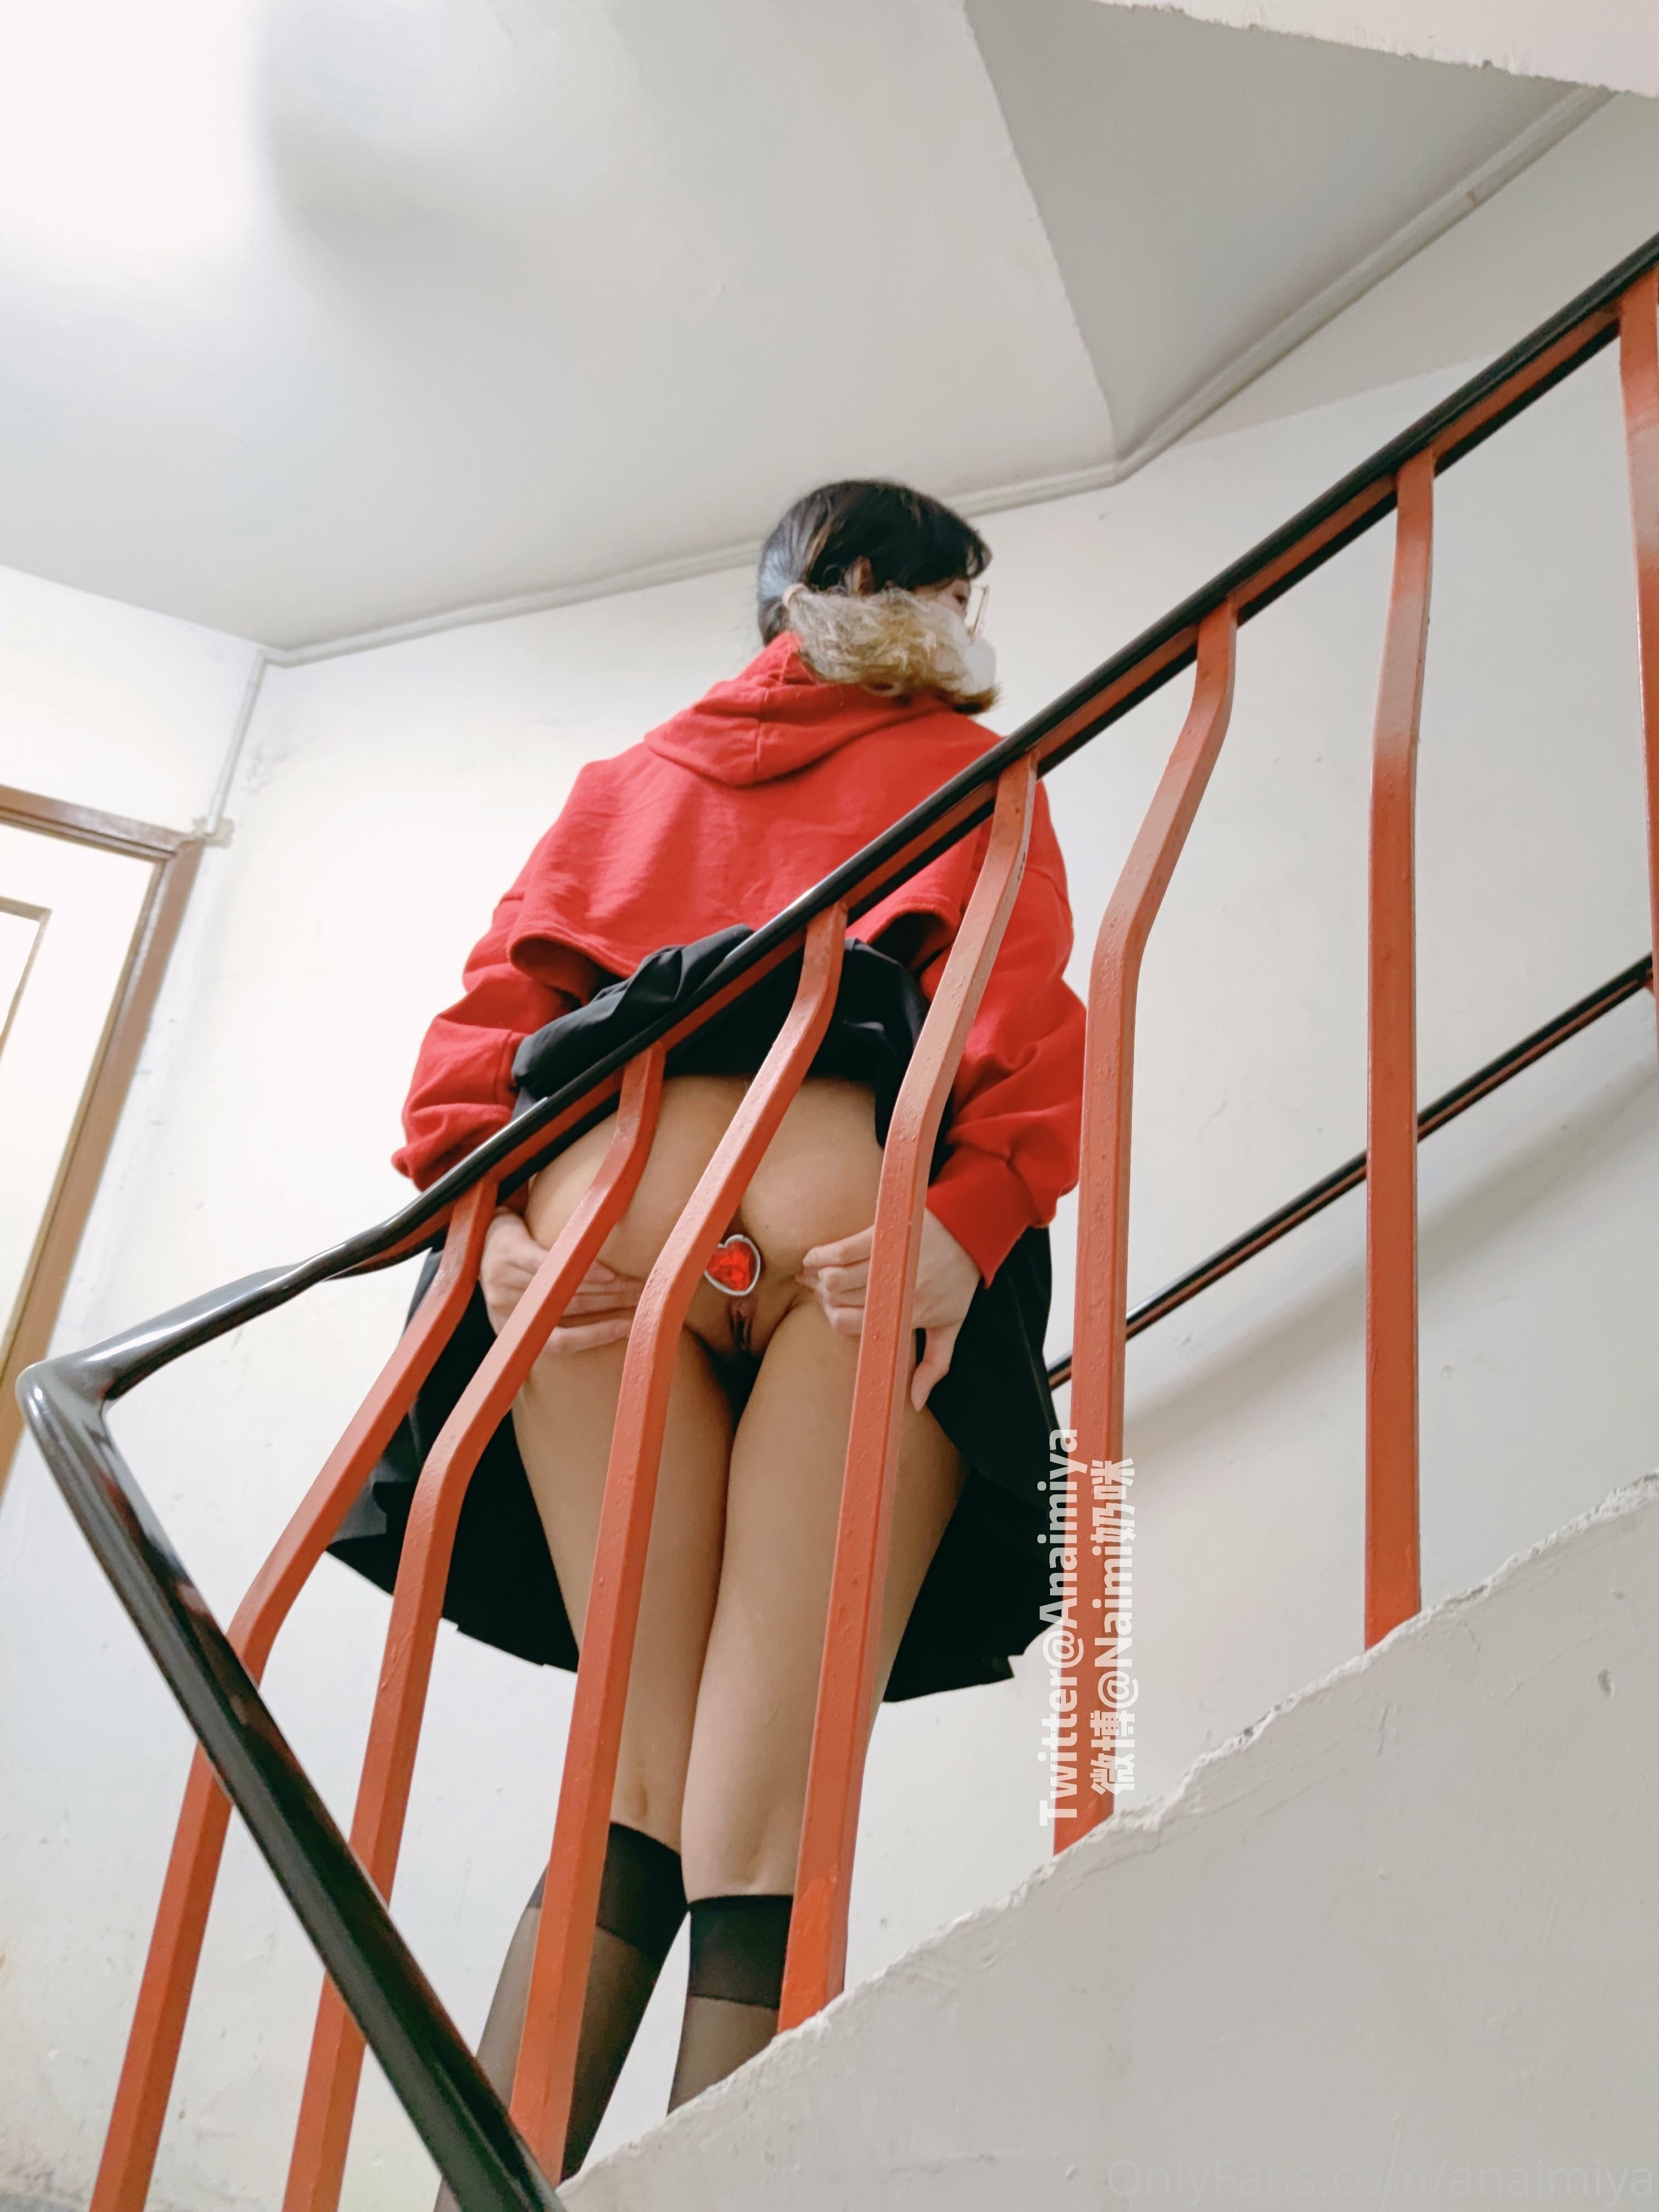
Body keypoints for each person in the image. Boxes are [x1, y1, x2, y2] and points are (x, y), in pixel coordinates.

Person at [331, 479, 1085, 2175]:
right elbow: (1026, 1033)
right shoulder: (975, 770)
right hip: (836, 1226)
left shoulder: (626, 782)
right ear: (876, 586)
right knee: (767, 1815)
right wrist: (966, 1225)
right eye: (958, 596)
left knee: (632, 1786)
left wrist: (493, 1229)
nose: (969, 630)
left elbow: (480, 1039)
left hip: (605, 1229)